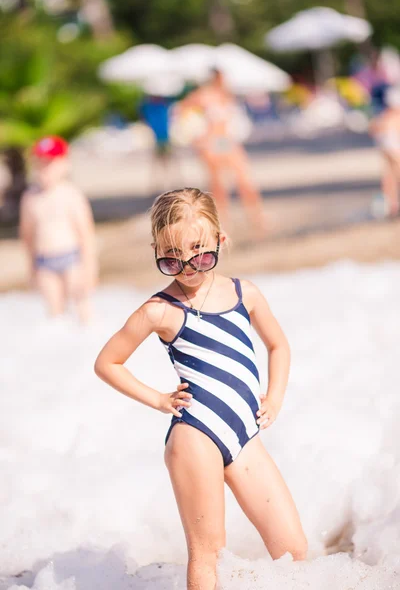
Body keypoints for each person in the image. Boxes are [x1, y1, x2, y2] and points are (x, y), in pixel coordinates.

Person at [94, 187, 307, 589]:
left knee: (292, 549)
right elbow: (107, 362)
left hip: (245, 435)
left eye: (200, 253)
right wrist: (158, 399)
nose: (188, 266)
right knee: (209, 554)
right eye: (170, 258)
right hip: (196, 438)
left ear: (220, 241)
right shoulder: (160, 310)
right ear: (156, 249)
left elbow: (278, 345)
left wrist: (275, 397)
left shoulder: (247, 294)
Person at [177, 70, 266, 234]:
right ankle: (222, 223)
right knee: (218, 187)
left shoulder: (226, 95)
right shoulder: (204, 95)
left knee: (245, 182)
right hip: (213, 142)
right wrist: (196, 137)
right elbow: (180, 110)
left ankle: (257, 219)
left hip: (227, 141)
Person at [19, 136, 97, 322]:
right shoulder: (30, 198)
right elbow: (27, 236)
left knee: (82, 307)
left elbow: (86, 235)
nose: (44, 169)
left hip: (72, 259)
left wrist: (90, 269)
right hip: (44, 262)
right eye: (39, 163)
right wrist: (31, 268)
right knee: (54, 314)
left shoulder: (71, 195)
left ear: (65, 164)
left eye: (49, 163)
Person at [369, 86, 400, 216]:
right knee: (393, 175)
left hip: (386, 146)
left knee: (389, 177)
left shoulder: (384, 115)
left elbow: (373, 129)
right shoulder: (393, 116)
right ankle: (392, 205)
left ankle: (392, 205)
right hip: (393, 147)